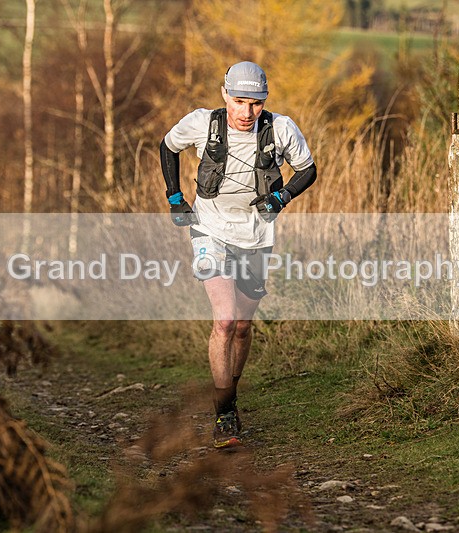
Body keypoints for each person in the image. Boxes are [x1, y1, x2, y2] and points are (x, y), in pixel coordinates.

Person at [160, 61, 317, 448]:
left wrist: (283, 195)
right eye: (239, 101)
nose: (247, 113)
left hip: (257, 236)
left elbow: (308, 169)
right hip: (209, 229)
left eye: (256, 103)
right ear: (224, 95)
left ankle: (231, 389)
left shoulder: (281, 128)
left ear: (265, 101)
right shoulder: (202, 123)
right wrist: (174, 196)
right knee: (226, 321)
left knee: (243, 327)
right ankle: (224, 415)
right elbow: (167, 146)